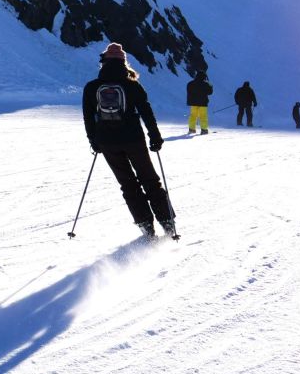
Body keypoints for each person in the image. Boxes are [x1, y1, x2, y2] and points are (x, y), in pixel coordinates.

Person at [82, 42, 175, 239]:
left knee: (128, 184)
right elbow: (146, 113)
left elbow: (88, 117)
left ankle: (146, 228)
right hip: (133, 139)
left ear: (104, 63)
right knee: (150, 180)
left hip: (107, 142)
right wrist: (155, 136)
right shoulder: (132, 85)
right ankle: (167, 223)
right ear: (124, 63)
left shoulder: (92, 87)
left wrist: (94, 140)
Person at [185, 70, 212, 135]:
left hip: (193, 103)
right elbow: (210, 92)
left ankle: (191, 129)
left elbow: (189, 92)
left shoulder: (190, 83)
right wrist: (210, 85)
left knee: (193, 116)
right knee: (203, 116)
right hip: (203, 103)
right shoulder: (206, 84)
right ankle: (204, 130)